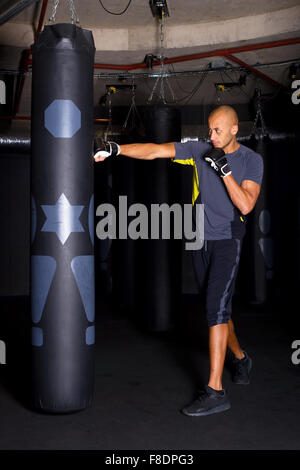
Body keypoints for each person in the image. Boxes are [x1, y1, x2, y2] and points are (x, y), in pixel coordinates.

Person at [94, 105, 264, 417]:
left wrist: (223, 171)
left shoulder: (252, 160)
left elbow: (247, 204)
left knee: (216, 307)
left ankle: (215, 391)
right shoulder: (200, 149)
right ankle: (239, 357)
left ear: (234, 130)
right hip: (200, 240)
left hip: (227, 241)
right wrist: (117, 149)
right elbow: (155, 151)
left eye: (218, 131)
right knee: (217, 308)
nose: (211, 136)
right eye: (210, 129)